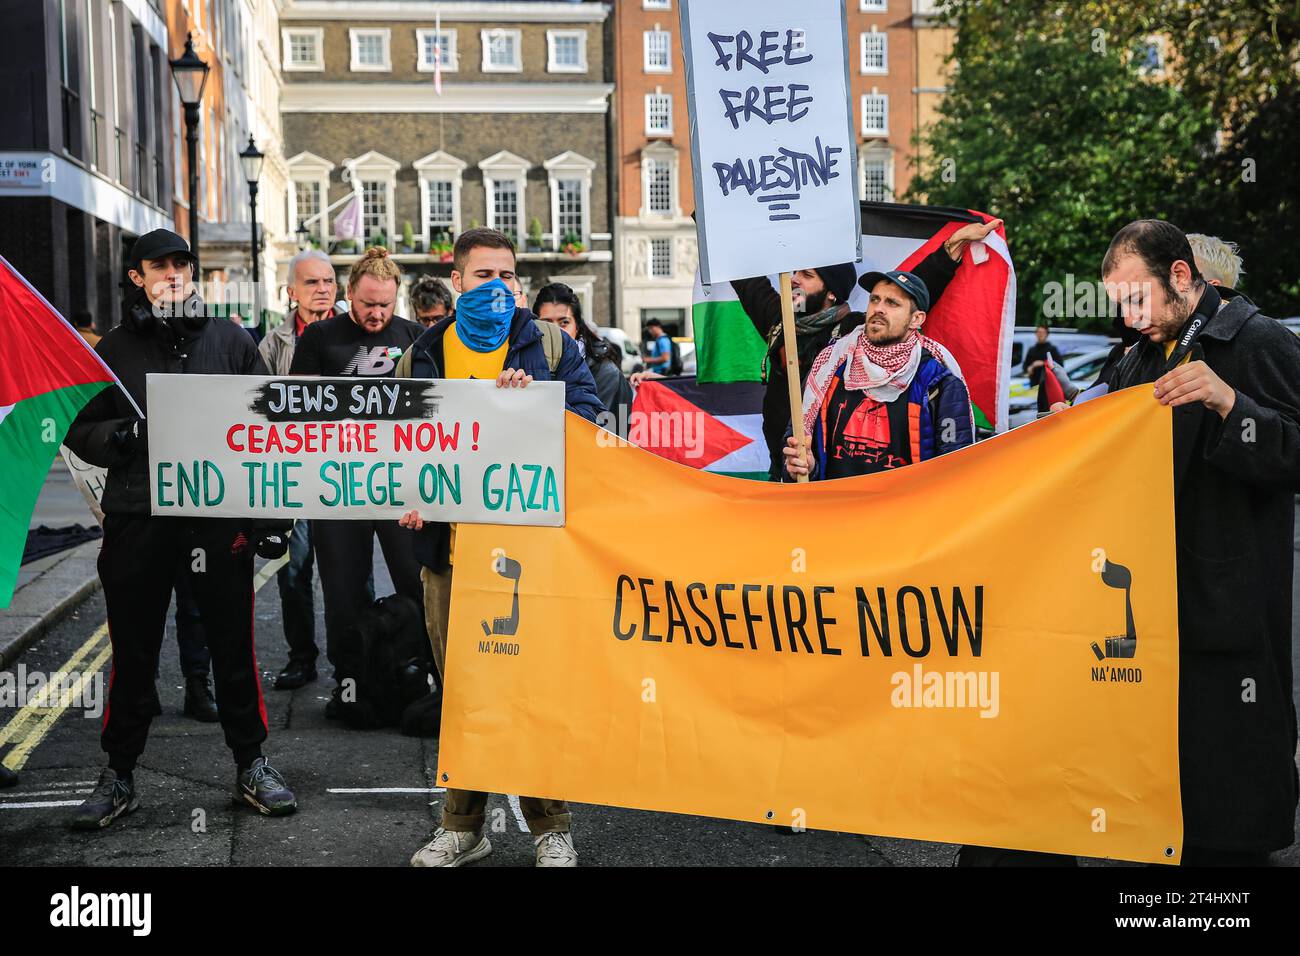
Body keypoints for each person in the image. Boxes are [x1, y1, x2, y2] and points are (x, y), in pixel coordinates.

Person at [63, 229, 296, 829]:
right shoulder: (111, 350)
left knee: (232, 645)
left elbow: (268, 433)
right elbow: (78, 430)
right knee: (134, 652)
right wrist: (123, 437)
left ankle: (252, 762)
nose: (173, 274)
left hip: (217, 520)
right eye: (159, 266)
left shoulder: (230, 339)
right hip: (139, 518)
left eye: (181, 265)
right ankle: (118, 774)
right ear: (137, 276)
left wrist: (270, 518)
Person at [397, 228, 601, 868]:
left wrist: (536, 407)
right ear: (455, 281)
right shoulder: (423, 355)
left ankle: (551, 828)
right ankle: (463, 825)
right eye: (483, 275)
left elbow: (594, 420)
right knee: (463, 691)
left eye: (507, 276)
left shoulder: (548, 343)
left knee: (533, 686)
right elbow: (396, 444)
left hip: (529, 551)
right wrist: (401, 491)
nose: (498, 287)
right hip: (451, 552)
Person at [1098, 219, 1298, 865]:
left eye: (1137, 301)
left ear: (1180, 276)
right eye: (1119, 307)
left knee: (1230, 817)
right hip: (1152, 613)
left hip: (1233, 617)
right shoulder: (1137, 355)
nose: (1130, 320)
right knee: (1170, 806)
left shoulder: (1260, 342)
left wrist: (1230, 405)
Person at [732, 218, 1001, 479]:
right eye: (794, 272)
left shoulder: (854, 335)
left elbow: (908, 293)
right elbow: (746, 281)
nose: (793, 280)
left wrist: (953, 246)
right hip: (792, 473)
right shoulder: (779, 322)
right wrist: (712, 214)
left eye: (807, 274)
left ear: (832, 293)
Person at [289, 247, 429, 717]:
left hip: (398, 486)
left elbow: (436, 411)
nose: (376, 314)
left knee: (416, 582)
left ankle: (417, 674)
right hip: (339, 487)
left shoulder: (412, 336)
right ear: (349, 295)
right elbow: (297, 410)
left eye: (386, 305)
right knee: (343, 592)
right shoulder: (321, 336)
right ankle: (351, 686)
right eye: (368, 304)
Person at [783, 270, 974, 481]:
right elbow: (798, 441)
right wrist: (806, 468)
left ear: (916, 319)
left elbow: (956, 469)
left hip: (907, 512)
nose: (879, 309)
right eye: (875, 299)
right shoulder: (829, 366)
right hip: (835, 510)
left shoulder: (939, 383)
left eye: (892, 303)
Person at [260, 249, 344, 691]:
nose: (323, 288)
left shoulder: (355, 332)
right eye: (311, 282)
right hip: (294, 473)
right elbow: (256, 407)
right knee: (294, 573)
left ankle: (351, 663)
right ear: (291, 292)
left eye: (328, 280)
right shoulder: (273, 344)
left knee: (349, 575)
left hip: (348, 474)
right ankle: (301, 658)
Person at [533, 281, 632, 436]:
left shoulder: (606, 374)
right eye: (547, 323)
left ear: (577, 327)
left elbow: (599, 435)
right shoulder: (526, 363)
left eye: (564, 323)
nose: (555, 331)